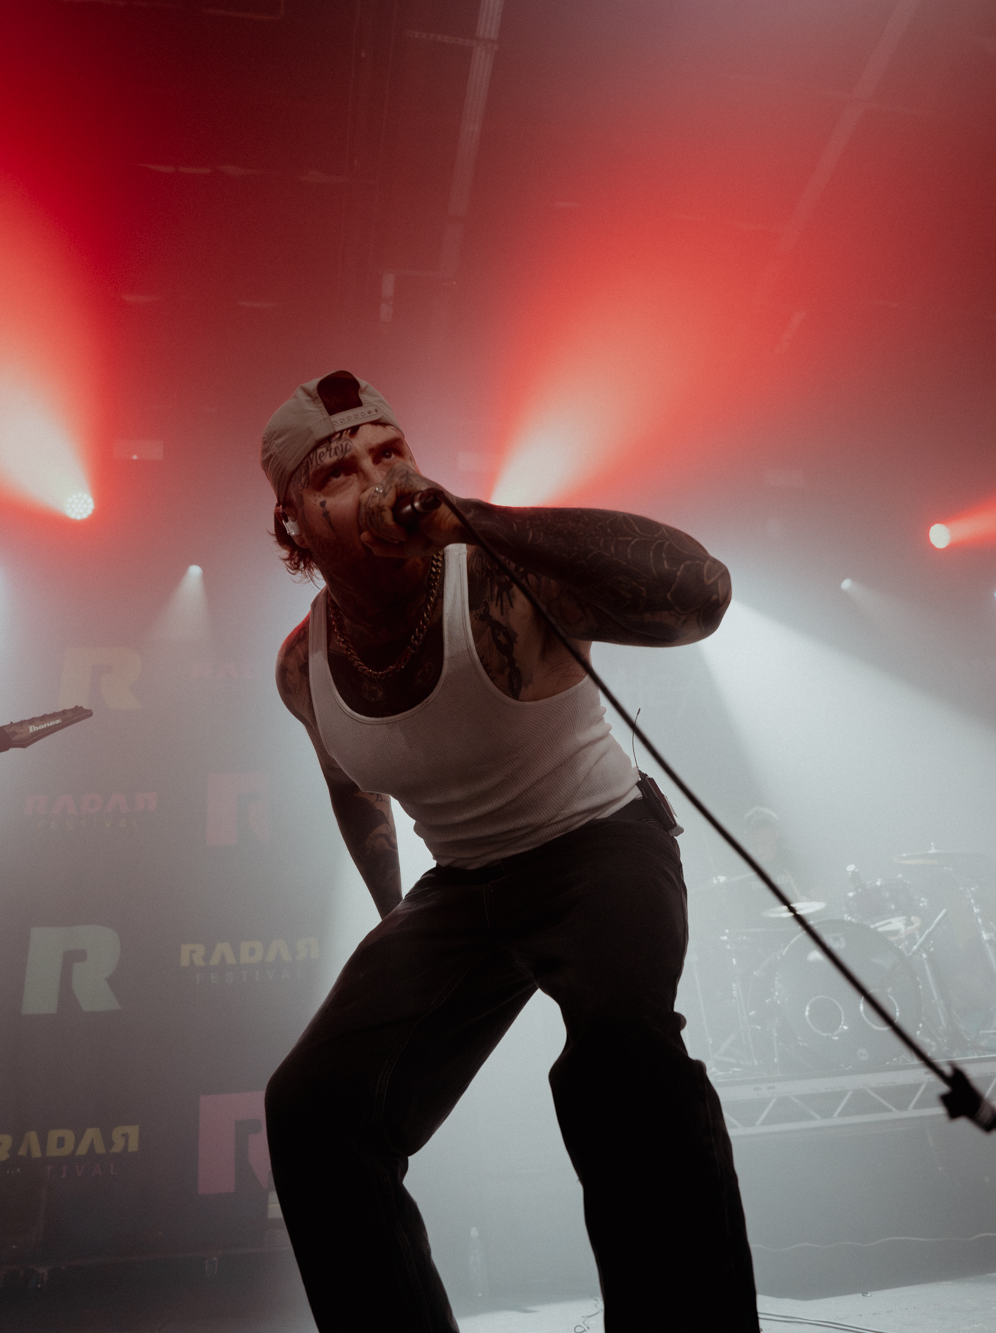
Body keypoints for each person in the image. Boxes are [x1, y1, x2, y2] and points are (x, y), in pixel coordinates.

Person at [260, 370, 757, 1332]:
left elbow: (702, 593)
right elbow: (354, 794)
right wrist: (395, 928)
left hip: (597, 838)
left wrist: (475, 520)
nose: (377, 478)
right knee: (314, 1108)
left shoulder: (497, 580)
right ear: (294, 524)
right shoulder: (301, 665)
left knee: (620, 1051)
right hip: (464, 885)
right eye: (337, 472)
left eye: (390, 452)